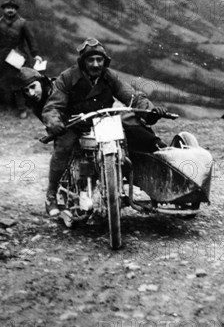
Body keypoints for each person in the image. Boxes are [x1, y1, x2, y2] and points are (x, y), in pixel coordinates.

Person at [41, 38, 168, 215]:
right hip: (75, 123)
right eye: (90, 60)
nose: (95, 64)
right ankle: (51, 195)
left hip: (102, 121)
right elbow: (53, 106)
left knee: (132, 128)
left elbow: (132, 97)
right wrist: (55, 122)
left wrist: (149, 110)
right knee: (64, 146)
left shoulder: (110, 77)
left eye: (99, 60)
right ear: (83, 62)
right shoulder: (67, 78)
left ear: (104, 61)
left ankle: (145, 170)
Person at [0, 0, 42, 118]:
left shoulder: (22, 23)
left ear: (16, 10)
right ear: (3, 9)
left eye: (13, 8)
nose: (10, 10)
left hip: (16, 55)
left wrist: (35, 53)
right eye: (7, 8)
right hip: (0, 55)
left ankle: (22, 109)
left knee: (18, 82)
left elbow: (30, 39)